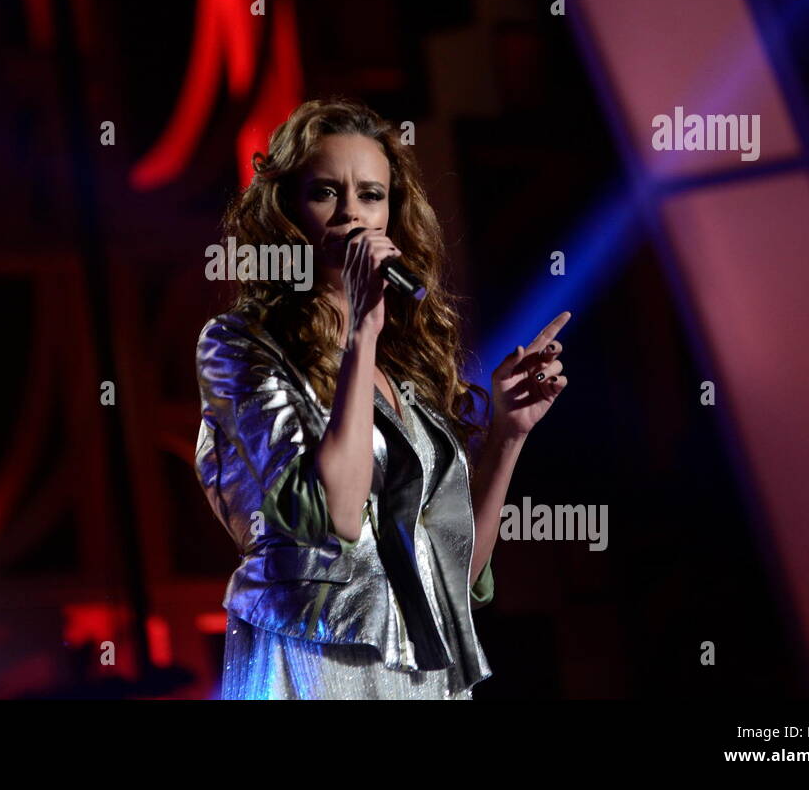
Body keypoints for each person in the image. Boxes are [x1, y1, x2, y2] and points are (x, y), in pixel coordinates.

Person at [194, 96, 570, 699]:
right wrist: (361, 330)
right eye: (325, 193)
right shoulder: (241, 347)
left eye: (371, 194)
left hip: (424, 671)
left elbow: (452, 572)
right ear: (288, 211)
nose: (352, 215)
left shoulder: (403, 363)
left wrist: (507, 434)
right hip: (321, 655)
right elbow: (334, 518)